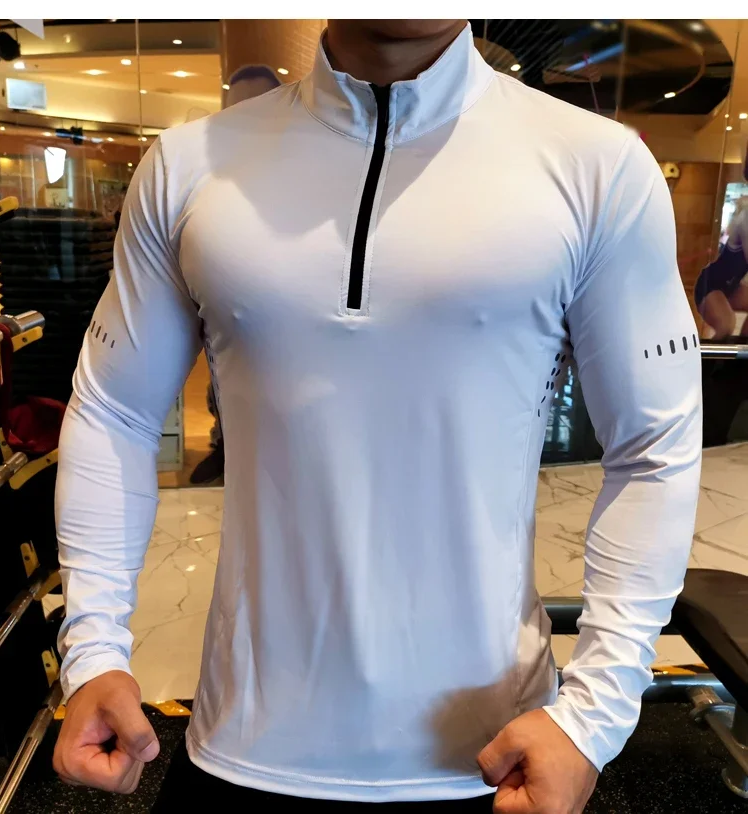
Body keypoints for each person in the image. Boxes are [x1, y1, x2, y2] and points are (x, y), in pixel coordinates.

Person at [52, 19, 702, 814]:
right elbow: (114, 412)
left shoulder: (596, 167)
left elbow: (654, 448)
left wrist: (595, 717)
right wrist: (93, 650)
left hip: (494, 760)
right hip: (241, 748)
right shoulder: (189, 165)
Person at [190, 65, 282, 486]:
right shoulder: (210, 189)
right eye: (234, 113)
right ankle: (225, 445)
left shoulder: (304, 184)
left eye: (255, 110)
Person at [695, 197, 748, 341]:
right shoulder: (745, 217)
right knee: (725, 325)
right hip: (710, 283)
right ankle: (709, 357)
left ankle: (743, 346)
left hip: (731, 285)